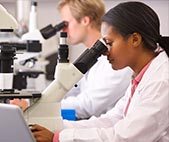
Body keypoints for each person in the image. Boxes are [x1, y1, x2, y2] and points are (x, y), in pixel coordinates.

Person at [31, 1, 169, 142]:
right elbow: (113, 120)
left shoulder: (161, 81)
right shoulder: (143, 75)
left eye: (109, 43)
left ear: (135, 39)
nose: (105, 52)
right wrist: (56, 127)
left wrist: (59, 138)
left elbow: (126, 137)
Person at [58, 0, 132, 119]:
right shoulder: (90, 57)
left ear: (85, 20)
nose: (63, 30)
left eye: (65, 24)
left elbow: (89, 105)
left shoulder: (115, 59)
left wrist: (41, 106)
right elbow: (71, 90)